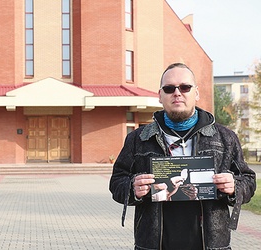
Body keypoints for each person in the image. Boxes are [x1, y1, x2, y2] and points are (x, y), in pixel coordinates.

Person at [109, 63, 256, 250]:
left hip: (211, 245)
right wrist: (132, 188)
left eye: (185, 87)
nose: (177, 93)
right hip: (153, 245)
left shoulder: (225, 138)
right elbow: (116, 182)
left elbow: (249, 181)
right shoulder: (138, 139)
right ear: (160, 96)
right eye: (169, 88)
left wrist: (234, 187)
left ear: (196, 93)